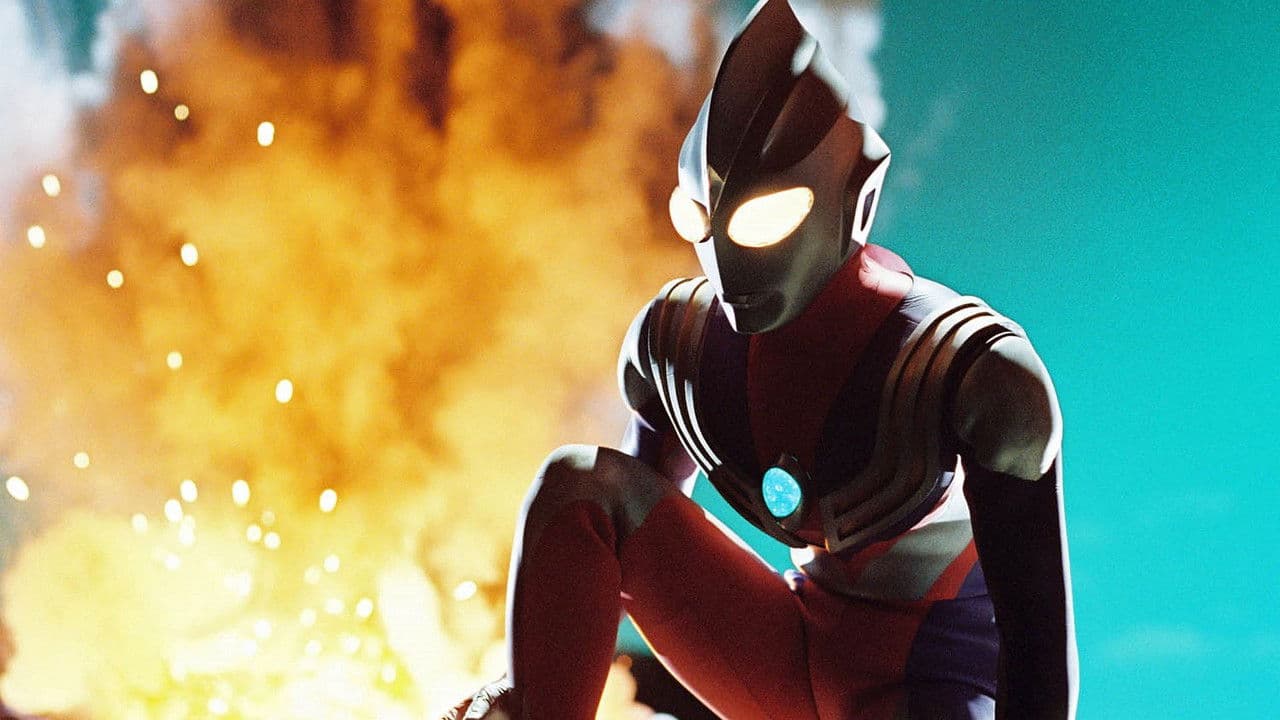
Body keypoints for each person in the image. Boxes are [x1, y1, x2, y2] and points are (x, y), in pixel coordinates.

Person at [446, 1, 1076, 718]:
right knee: (580, 487)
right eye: (700, 219)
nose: (728, 256)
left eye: (764, 218)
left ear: (856, 198)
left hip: (936, 686)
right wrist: (538, 685)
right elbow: (623, 534)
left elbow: (1036, 645)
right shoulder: (676, 347)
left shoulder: (975, 377)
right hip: (791, 652)